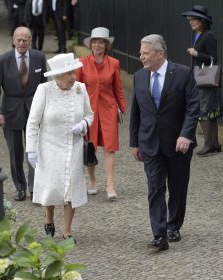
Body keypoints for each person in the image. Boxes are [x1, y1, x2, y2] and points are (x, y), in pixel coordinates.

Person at [129, 34, 199, 251]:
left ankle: (173, 225)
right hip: (149, 143)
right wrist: (134, 142)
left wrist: (186, 134)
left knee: (177, 187)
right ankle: (159, 235)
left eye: (145, 53)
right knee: (155, 188)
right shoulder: (139, 76)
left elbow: (193, 107)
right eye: (141, 53)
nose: (141, 57)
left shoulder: (183, 74)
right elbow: (136, 112)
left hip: (179, 144)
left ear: (160, 54)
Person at [26, 53, 93, 241]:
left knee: (71, 187)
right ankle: (49, 218)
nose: (73, 77)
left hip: (74, 146)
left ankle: (68, 230)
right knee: (51, 186)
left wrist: (83, 125)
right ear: (57, 76)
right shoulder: (44, 90)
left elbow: (90, 115)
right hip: (48, 146)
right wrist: (31, 149)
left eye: (73, 72)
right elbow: (33, 122)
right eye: (69, 73)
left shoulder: (81, 89)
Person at [0, 26, 47, 201]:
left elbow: (44, 85)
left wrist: (46, 109)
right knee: (15, 152)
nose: (22, 43)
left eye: (26, 39)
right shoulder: (2, 60)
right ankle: (20, 187)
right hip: (10, 111)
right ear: (13, 41)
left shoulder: (39, 57)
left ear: (31, 40)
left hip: (35, 109)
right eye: (19, 39)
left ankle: (35, 188)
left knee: (34, 150)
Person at [76, 27, 126, 200]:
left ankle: (110, 184)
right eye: (94, 42)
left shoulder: (114, 63)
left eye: (101, 42)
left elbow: (118, 89)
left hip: (108, 110)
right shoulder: (81, 63)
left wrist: (122, 108)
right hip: (88, 111)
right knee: (90, 146)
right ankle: (92, 180)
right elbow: (77, 89)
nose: (97, 45)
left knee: (110, 148)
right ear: (90, 44)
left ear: (106, 45)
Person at [181, 5, 222, 156]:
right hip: (202, 78)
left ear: (202, 21)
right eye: (190, 19)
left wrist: (196, 53)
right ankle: (215, 144)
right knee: (210, 112)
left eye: (194, 19)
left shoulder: (208, 36)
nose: (190, 22)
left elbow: (213, 58)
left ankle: (208, 144)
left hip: (205, 79)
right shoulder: (200, 34)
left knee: (203, 112)